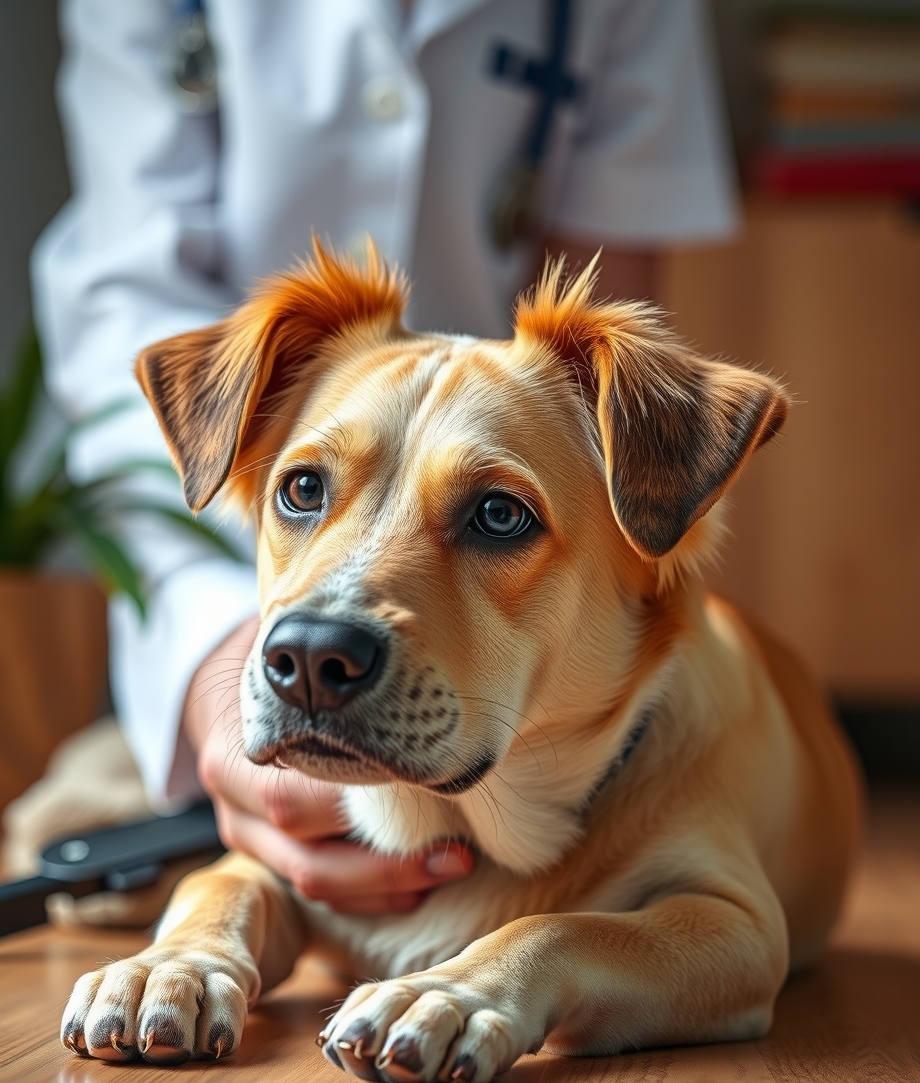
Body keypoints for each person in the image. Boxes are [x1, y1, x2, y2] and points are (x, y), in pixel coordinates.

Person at [32, 0, 738, 915]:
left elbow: (621, 383)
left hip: (514, 704)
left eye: (495, 515)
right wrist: (212, 663)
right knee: (68, 836)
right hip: (215, 588)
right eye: (304, 490)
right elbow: (127, 301)